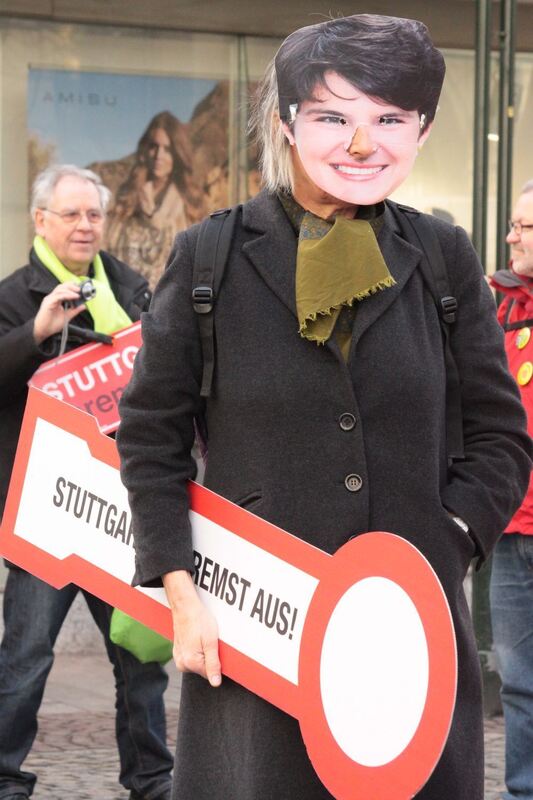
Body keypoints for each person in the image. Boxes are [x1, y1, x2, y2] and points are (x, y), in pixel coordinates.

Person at [116, 15, 531, 800]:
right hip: (257, 635)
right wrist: (179, 589)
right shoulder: (211, 254)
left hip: (409, 630)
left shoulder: (444, 259)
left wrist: (446, 541)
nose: (361, 143)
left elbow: (500, 435)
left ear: (421, 130)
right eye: (333, 116)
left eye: (389, 120)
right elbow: (151, 437)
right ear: (287, 122)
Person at [0, 164, 173, 800]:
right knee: (24, 662)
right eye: (70, 214)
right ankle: (5, 782)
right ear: (40, 221)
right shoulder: (12, 296)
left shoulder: (130, 289)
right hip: (45, 516)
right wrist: (37, 332)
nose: (84, 225)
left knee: (141, 661)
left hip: (120, 513)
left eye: (93, 214)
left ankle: (153, 781)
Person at [490, 180, 533, 800]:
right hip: (510, 530)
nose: (510, 236)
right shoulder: (495, 307)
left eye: (523, 226)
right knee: (518, 682)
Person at [105, 111, 199, 290]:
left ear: (177, 155)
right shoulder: (127, 202)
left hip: (172, 305)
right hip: (126, 303)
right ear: (145, 151)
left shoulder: (189, 209)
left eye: (167, 149)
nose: (158, 156)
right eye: (153, 146)